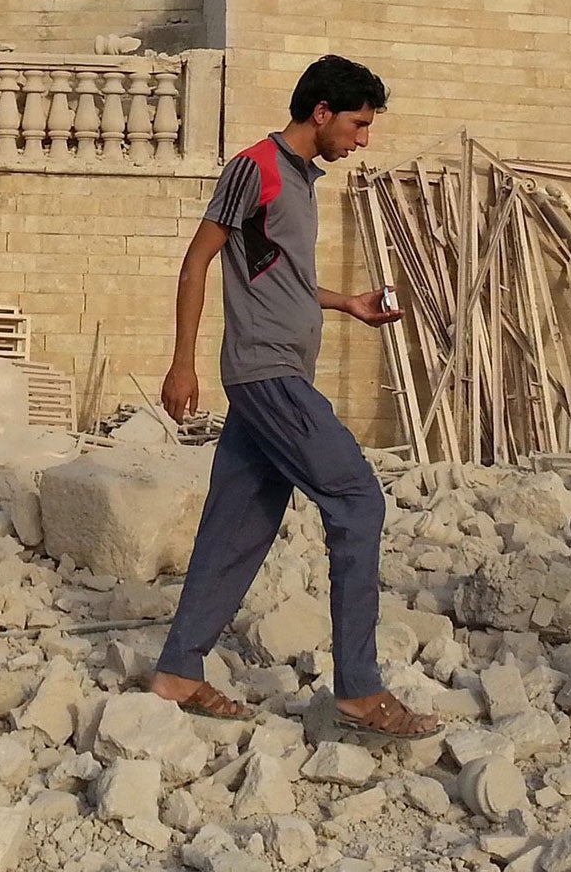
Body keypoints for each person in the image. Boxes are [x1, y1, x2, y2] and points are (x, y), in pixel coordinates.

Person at [148, 55, 443, 747]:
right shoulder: (257, 167)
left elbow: (279, 278)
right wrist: (182, 364)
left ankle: (176, 674)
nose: (364, 139)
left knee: (237, 526)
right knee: (359, 501)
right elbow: (198, 261)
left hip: (278, 375)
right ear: (321, 113)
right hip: (267, 375)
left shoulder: (303, 184)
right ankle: (361, 691)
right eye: (359, 123)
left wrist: (350, 305)